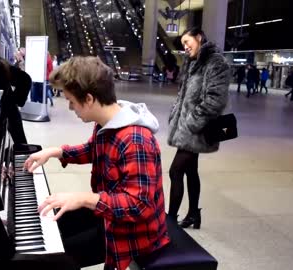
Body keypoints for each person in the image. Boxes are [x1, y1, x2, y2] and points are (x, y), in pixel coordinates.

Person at [23, 56, 169, 270]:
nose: (71, 108)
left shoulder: (136, 140)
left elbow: (139, 205)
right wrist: (57, 152)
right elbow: (93, 150)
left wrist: (85, 199)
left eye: (72, 101)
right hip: (110, 214)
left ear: (89, 99)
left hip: (133, 233)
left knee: (55, 260)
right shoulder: (107, 123)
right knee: (49, 223)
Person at [167, 27, 229, 229]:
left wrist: (192, 122)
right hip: (186, 127)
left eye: (187, 42)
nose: (185, 47)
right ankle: (194, 214)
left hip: (197, 129)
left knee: (175, 171)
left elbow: (215, 100)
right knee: (190, 171)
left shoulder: (215, 62)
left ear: (199, 37)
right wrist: (175, 113)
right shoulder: (192, 62)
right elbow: (183, 94)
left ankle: (170, 222)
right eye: (183, 44)